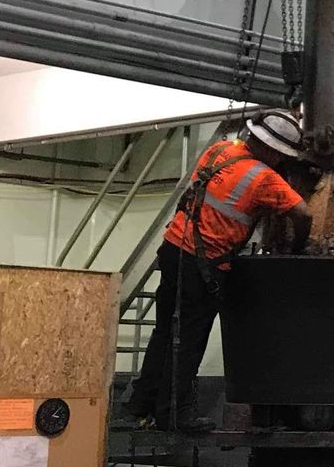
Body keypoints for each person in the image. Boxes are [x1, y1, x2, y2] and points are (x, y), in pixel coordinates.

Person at [123, 111, 313, 433]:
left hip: (173, 249)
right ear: (272, 150)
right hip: (203, 265)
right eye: (281, 155)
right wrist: (299, 245)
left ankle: (139, 405)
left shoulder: (219, 150)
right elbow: (303, 213)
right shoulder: (264, 178)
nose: (282, 160)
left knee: (165, 332)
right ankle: (175, 415)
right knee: (189, 341)